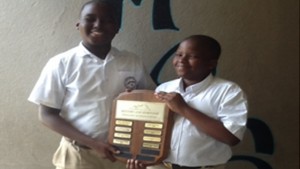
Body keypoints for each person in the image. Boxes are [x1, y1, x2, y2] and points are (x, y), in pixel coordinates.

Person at [28, 1, 155, 169]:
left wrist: (143, 148)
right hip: (78, 155)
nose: (98, 25)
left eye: (106, 20)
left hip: (122, 155)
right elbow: (47, 115)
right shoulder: (61, 63)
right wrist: (94, 143)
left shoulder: (132, 62)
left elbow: (152, 103)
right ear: (78, 25)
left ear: (117, 27)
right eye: (90, 19)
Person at [126, 35, 248, 169]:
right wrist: (142, 158)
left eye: (192, 56)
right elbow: (152, 129)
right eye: (178, 54)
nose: (181, 60)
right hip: (161, 165)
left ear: (211, 63)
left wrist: (184, 109)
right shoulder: (164, 88)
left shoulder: (228, 91)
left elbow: (231, 137)